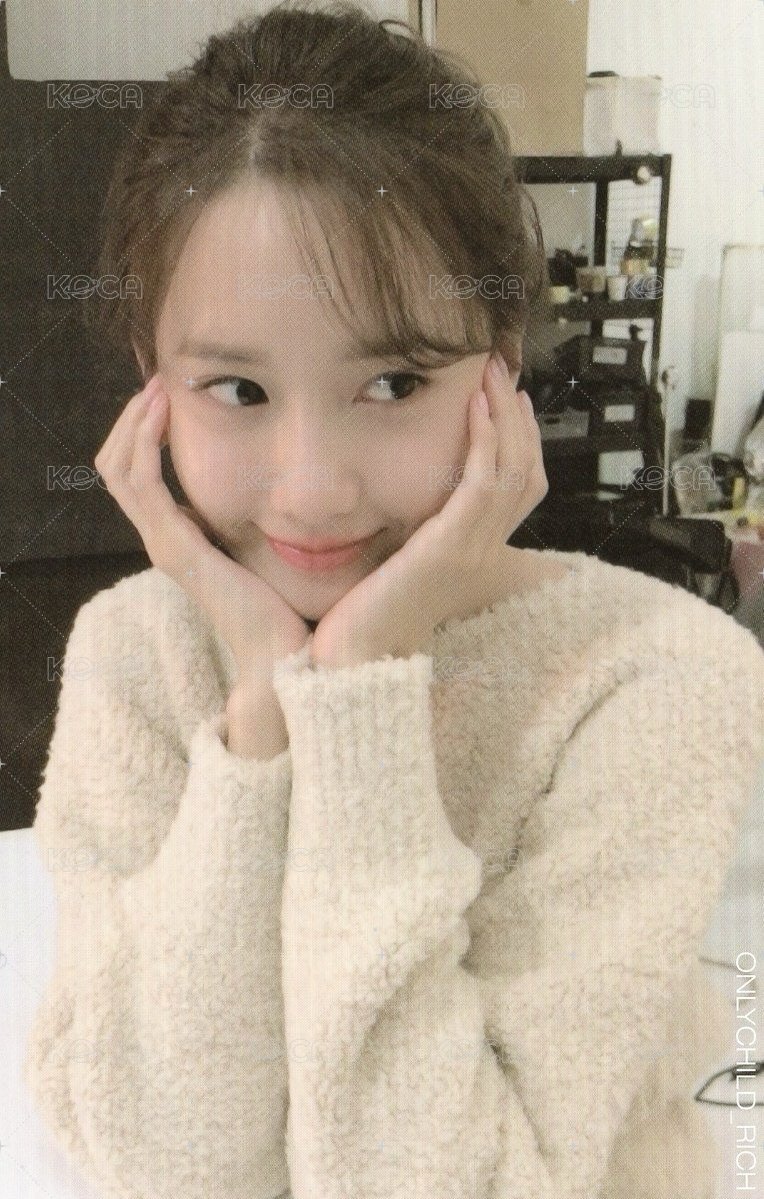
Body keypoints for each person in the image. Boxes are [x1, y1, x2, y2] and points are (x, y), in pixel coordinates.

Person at [24, 4, 764, 1198]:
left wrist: (360, 689)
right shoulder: (136, 651)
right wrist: (261, 714)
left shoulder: (656, 675)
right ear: (150, 381)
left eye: (394, 380)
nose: (312, 488)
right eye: (237, 389)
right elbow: (171, 1160)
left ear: (501, 365)